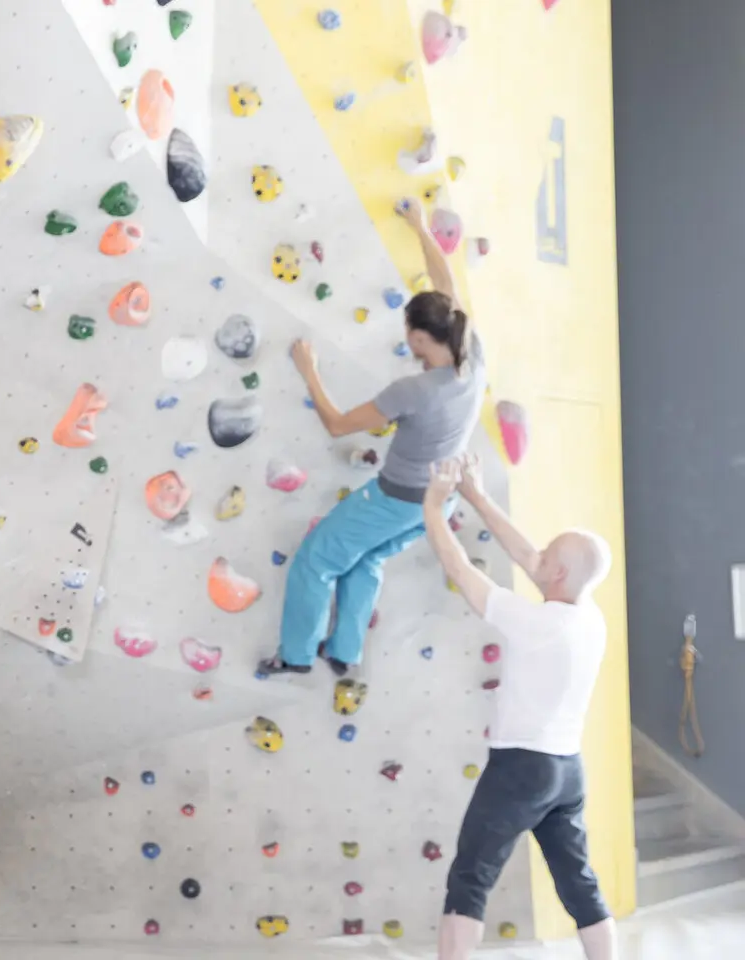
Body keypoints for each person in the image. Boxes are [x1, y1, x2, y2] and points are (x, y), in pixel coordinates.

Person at [258, 198, 487, 679]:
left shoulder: (415, 389)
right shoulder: (473, 356)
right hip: (436, 504)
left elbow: (339, 424)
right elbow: (445, 283)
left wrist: (310, 372)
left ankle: (297, 655)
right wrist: (419, 228)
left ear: (423, 339)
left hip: (395, 499)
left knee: (316, 560)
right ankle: (345, 650)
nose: (407, 341)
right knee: (365, 559)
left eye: (410, 335)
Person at [421, 455, 616, 960]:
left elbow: (461, 571)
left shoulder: (535, 623)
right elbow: (532, 558)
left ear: (559, 570)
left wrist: (434, 507)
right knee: (579, 883)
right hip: (567, 772)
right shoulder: (589, 617)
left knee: (469, 880)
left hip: (520, 770)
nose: (538, 554)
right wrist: (478, 495)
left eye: (548, 553)